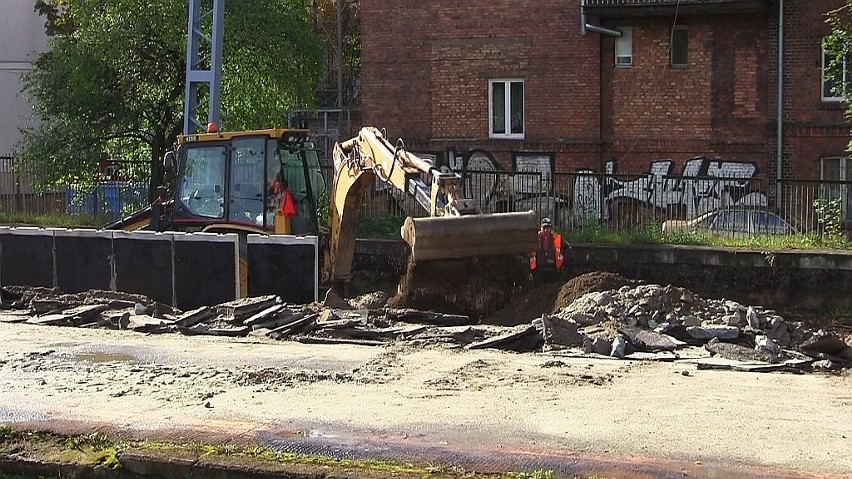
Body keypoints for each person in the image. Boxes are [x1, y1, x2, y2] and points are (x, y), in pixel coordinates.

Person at [530, 217, 567, 286]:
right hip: (538, 271)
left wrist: (563, 261)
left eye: (548, 228)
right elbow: (527, 252)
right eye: (544, 228)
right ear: (540, 228)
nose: (546, 230)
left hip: (552, 271)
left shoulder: (557, 238)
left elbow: (567, 248)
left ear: (551, 228)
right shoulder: (534, 239)